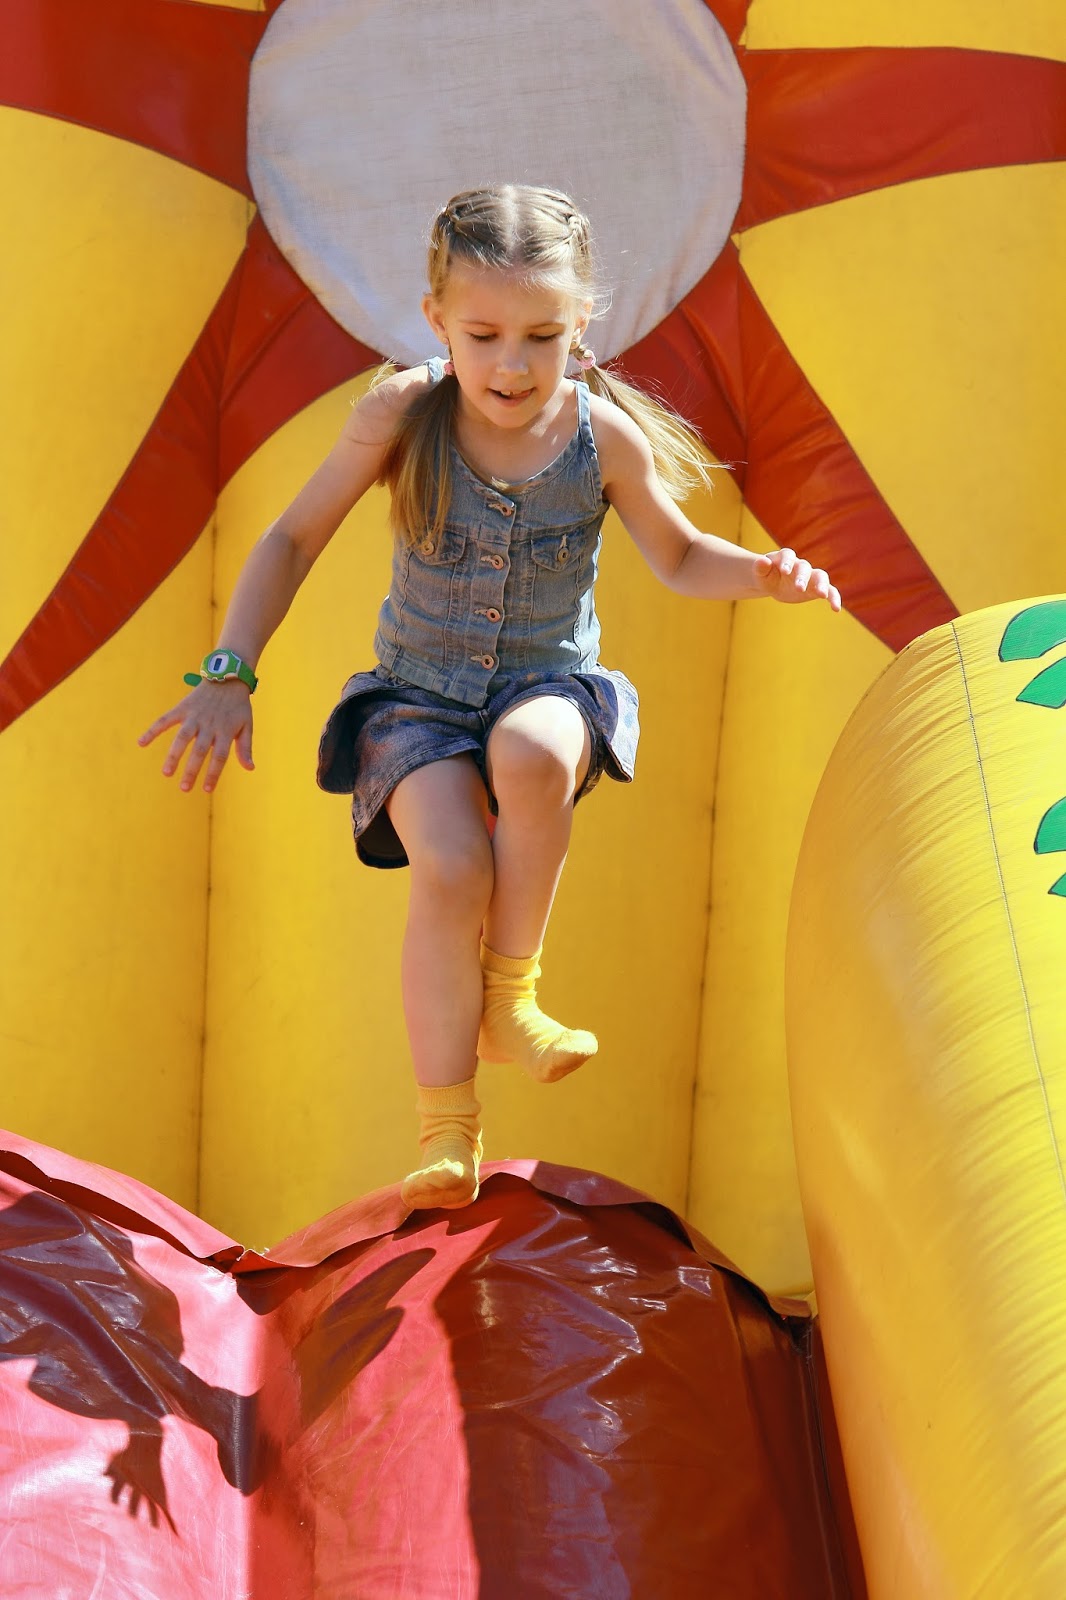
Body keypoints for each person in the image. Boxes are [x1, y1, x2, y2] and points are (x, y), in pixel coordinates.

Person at [139, 184, 841, 1213]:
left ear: (580, 325)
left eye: (541, 335)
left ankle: (511, 995)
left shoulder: (603, 440)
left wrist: (762, 572)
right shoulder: (400, 415)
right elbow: (290, 538)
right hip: (414, 703)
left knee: (535, 751)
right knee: (454, 865)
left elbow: (681, 554)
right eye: (484, 334)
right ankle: (446, 1127)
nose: (512, 363)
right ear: (437, 323)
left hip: (549, 680)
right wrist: (228, 672)